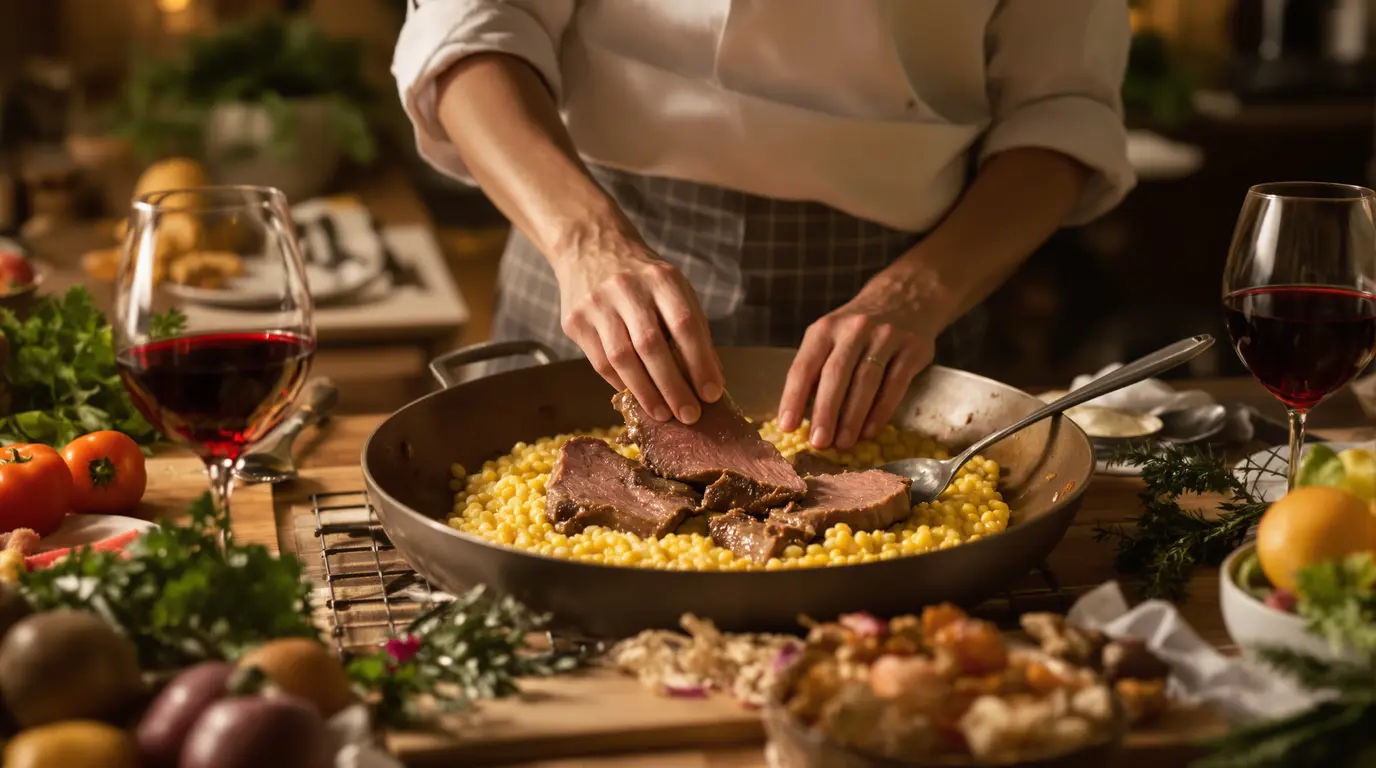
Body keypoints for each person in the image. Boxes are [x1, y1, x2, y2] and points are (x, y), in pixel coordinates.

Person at [393, 1, 1135, 450]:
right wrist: (587, 241)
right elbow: (469, 29)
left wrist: (916, 294)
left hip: (908, 292)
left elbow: (1059, 110)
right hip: (583, 243)